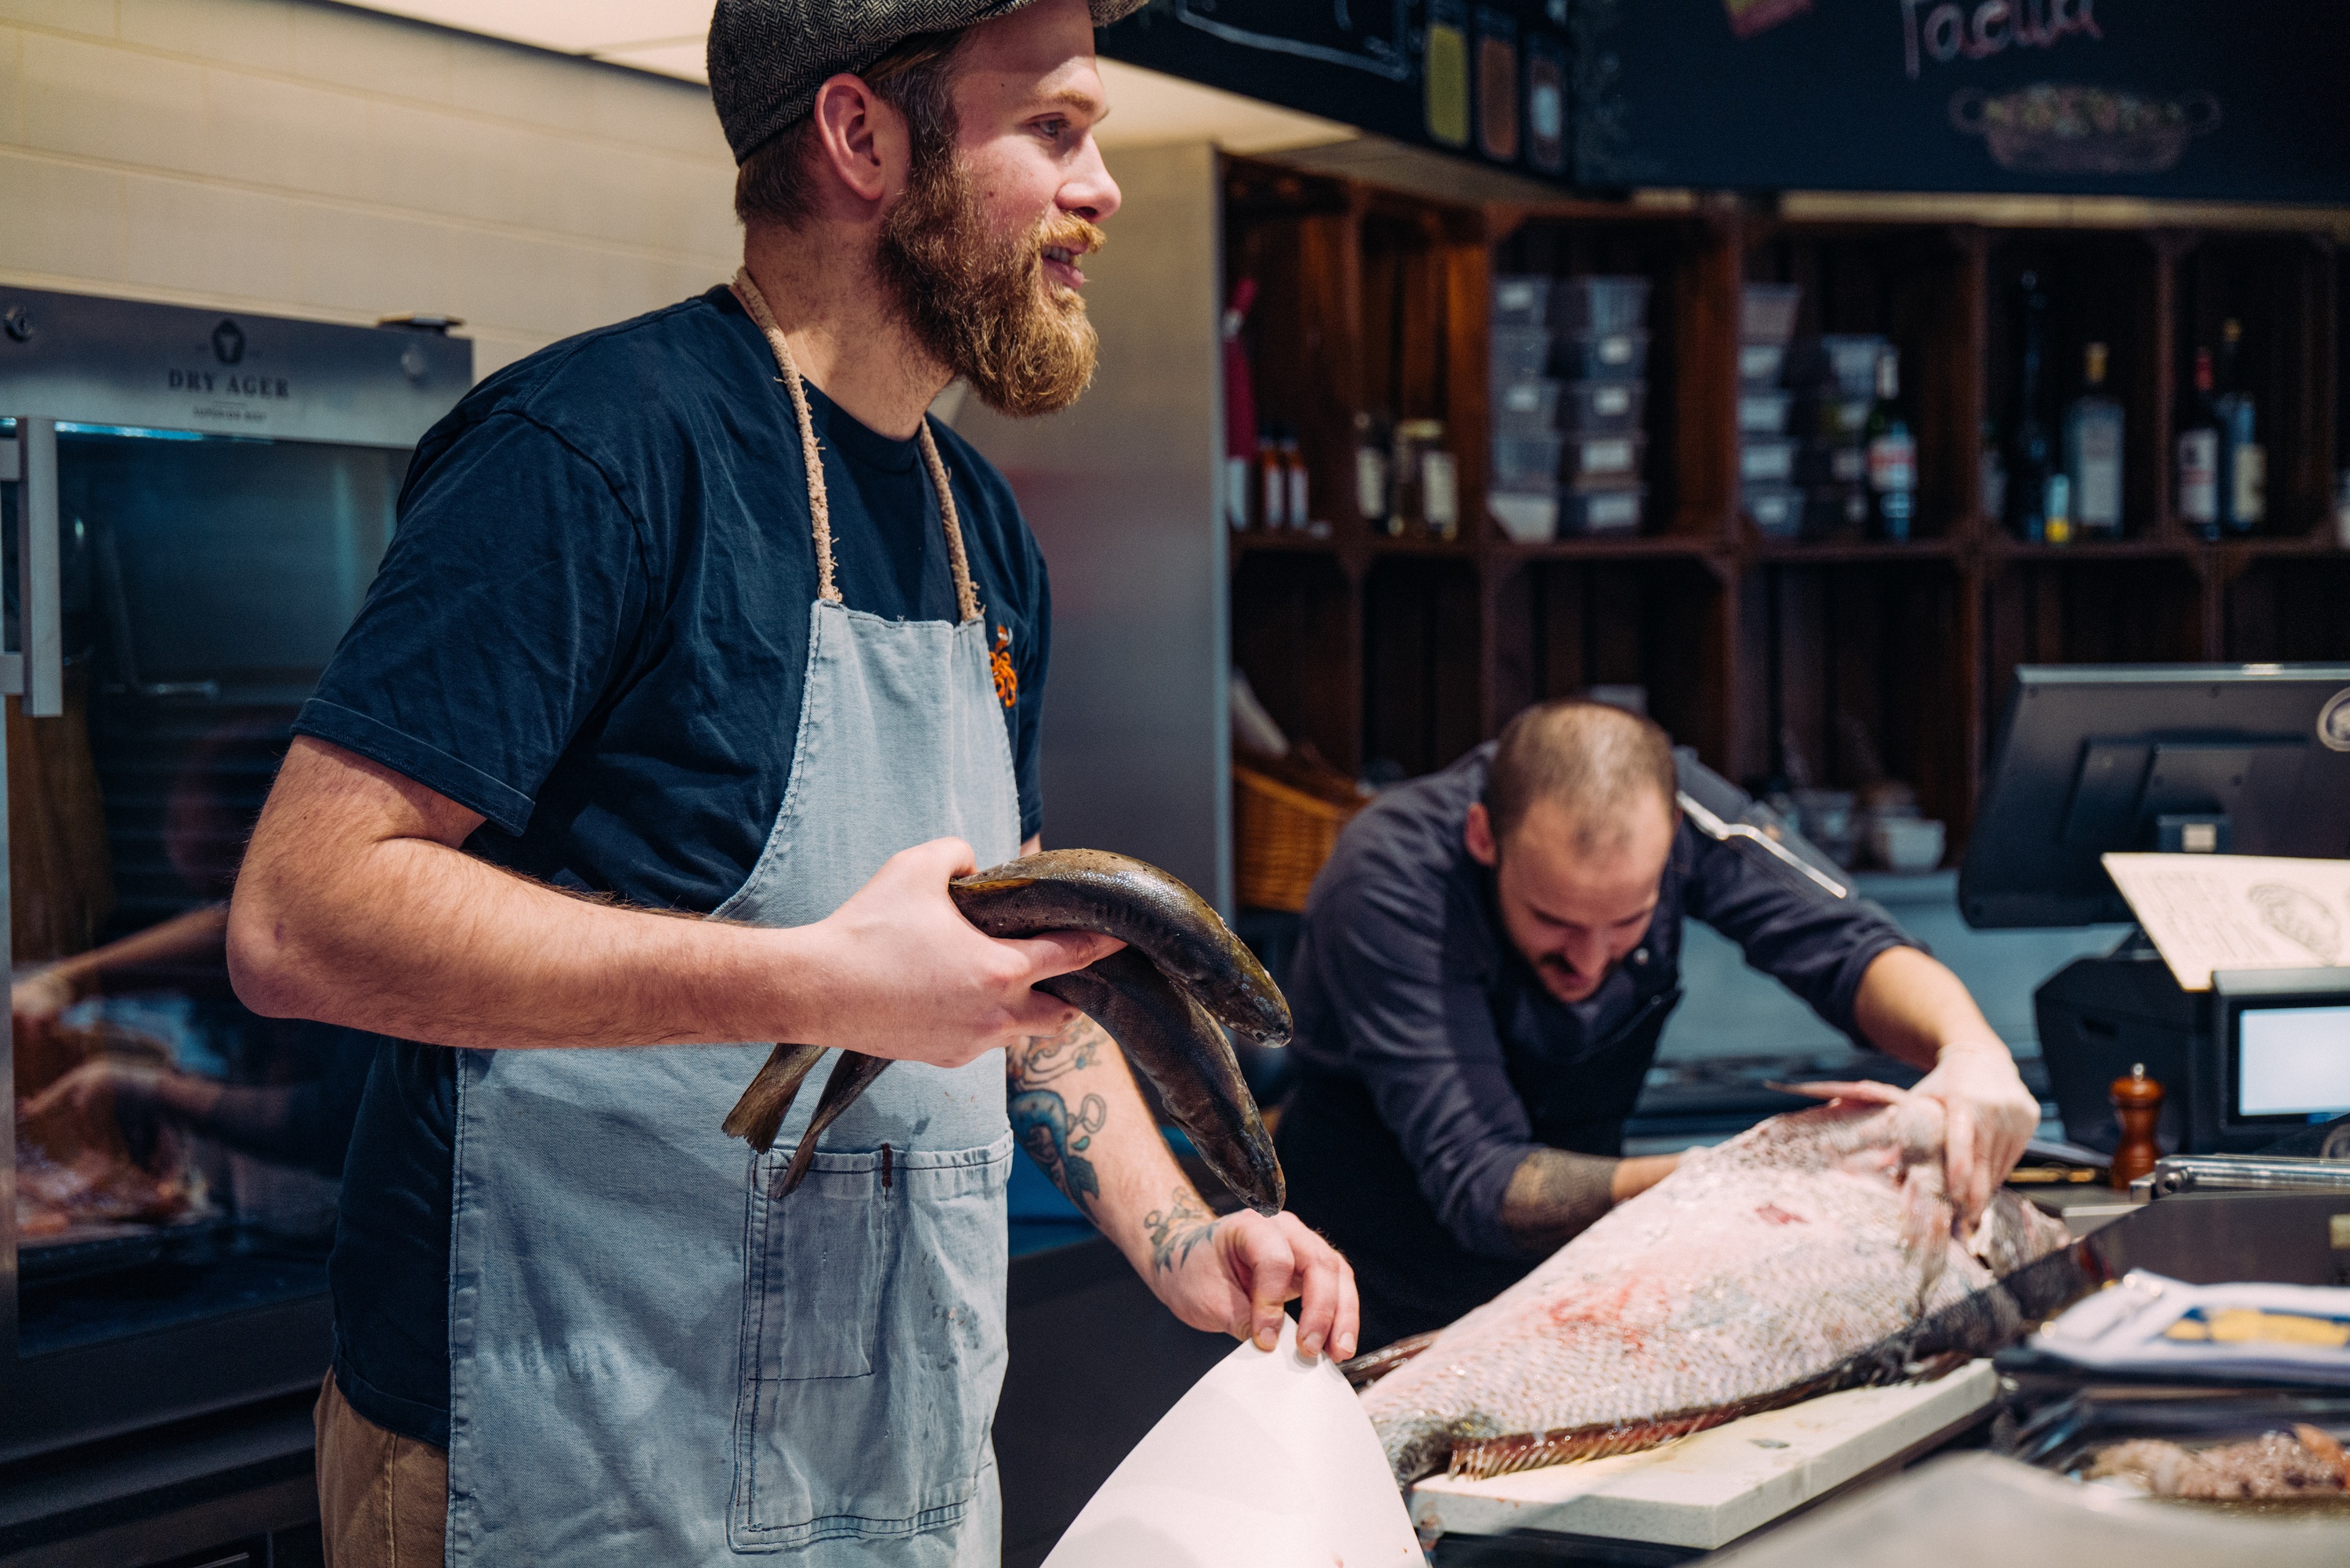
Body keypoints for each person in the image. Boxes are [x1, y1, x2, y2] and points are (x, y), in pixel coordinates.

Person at [223, 2, 1356, 1561]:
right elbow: (299, 914)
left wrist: (1181, 1237)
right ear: (863, 137)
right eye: (1055, 128)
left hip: (886, 1461)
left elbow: (1016, 991)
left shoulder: (983, 531)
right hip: (563, 1452)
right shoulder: (594, 453)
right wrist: (820, 978)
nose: (1103, 188)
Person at [1276, 699, 2041, 1353]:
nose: (1591, 959)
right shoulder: (1389, 876)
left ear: (1672, 842)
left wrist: (1971, 1049)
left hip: (1569, 1287)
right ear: (1485, 838)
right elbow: (1486, 1183)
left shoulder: (1687, 811)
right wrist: (1753, 1169)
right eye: (1554, 920)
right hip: (1361, 1305)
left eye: (1628, 921)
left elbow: (1847, 947)